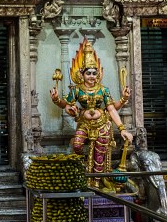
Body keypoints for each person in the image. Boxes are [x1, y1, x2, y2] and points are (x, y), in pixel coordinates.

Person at [49, 39, 132, 190]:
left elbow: (112, 109)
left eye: (94, 73)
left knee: (99, 155)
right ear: (82, 74)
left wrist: (122, 128)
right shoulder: (76, 89)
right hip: (84, 124)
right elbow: (66, 105)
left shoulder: (103, 90)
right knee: (77, 145)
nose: (92, 76)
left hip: (102, 125)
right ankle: (83, 171)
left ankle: (96, 183)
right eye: (88, 73)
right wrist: (56, 100)